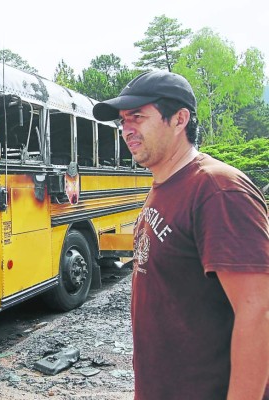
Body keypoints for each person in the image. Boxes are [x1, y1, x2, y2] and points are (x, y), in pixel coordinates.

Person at [93, 70, 269, 400]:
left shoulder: (219, 190)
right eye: (122, 122)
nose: (126, 130)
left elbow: (258, 312)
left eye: (137, 117)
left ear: (179, 119)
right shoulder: (165, 185)